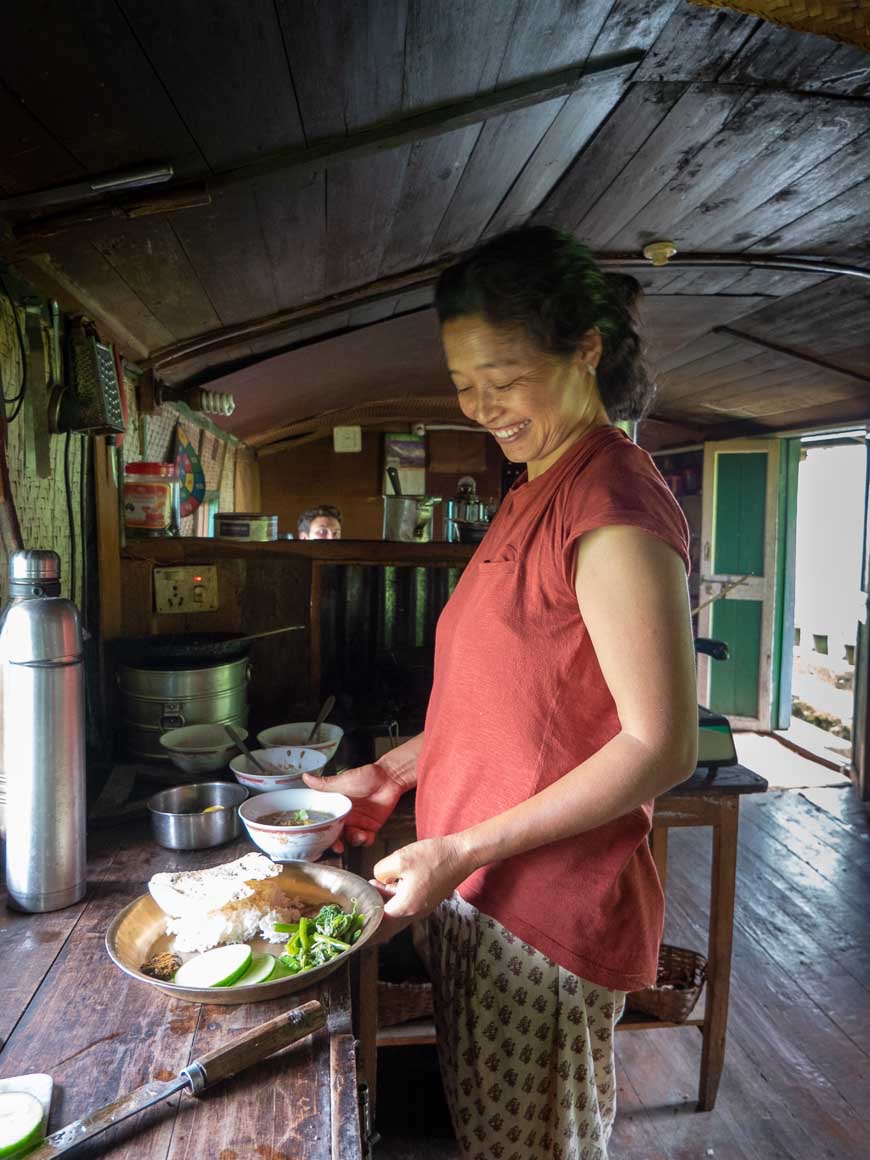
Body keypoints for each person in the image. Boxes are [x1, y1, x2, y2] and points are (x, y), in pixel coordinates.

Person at [304, 226, 698, 1160]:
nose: (482, 405)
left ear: (586, 350)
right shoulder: (531, 486)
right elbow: (501, 702)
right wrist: (391, 776)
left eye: (506, 376)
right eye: (463, 381)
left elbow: (660, 746)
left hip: (545, 921)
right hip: (477, 894)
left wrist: (461, 848)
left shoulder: (611, 505)